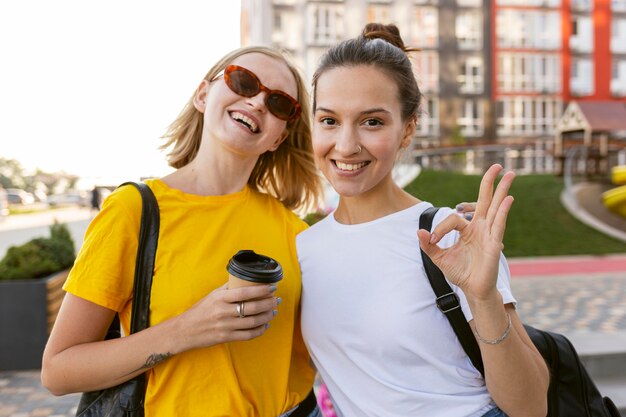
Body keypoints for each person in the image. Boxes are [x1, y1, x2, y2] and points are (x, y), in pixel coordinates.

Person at [42, 45, 324, 417]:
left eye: (280, 104)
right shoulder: (134, 211)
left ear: (279, 137)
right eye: (243, 81)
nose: (257, 102)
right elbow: (58, 371)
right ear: (203, 95)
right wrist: (188, 329)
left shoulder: (296, 233)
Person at [297, 23, 549, 417]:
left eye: (372, 122)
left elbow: (531, 406)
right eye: (329, 120)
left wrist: (484, 299)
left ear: (408, 129)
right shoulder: (303, 248)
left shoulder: (450, 234)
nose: (345, 145)